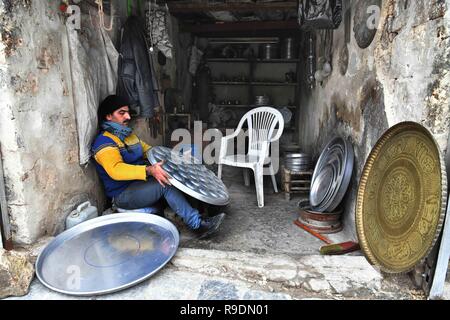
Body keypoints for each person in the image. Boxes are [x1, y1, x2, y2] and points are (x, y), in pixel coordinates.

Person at [91, 95, 225, 239]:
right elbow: (116, 170)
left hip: (139, 184)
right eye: (122, 113)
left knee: (179, 169)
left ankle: (207, 206)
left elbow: (149, 151)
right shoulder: (103, 142)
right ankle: (198, 225)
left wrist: (176, 159)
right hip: (123, 194)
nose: (128, 116)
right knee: (165, 184)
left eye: (128, 112)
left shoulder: (129, 136)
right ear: (109, 116)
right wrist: (148, 170)